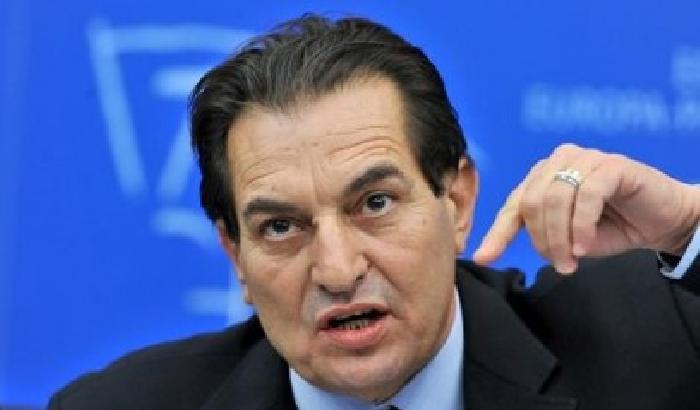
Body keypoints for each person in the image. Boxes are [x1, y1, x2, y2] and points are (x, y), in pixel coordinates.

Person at [49, 14, 700, 410]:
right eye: (281, 227)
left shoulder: (652, 340)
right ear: (235, 256)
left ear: (457, 201)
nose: (337, 270)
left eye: (375, 203)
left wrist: (686, 224)